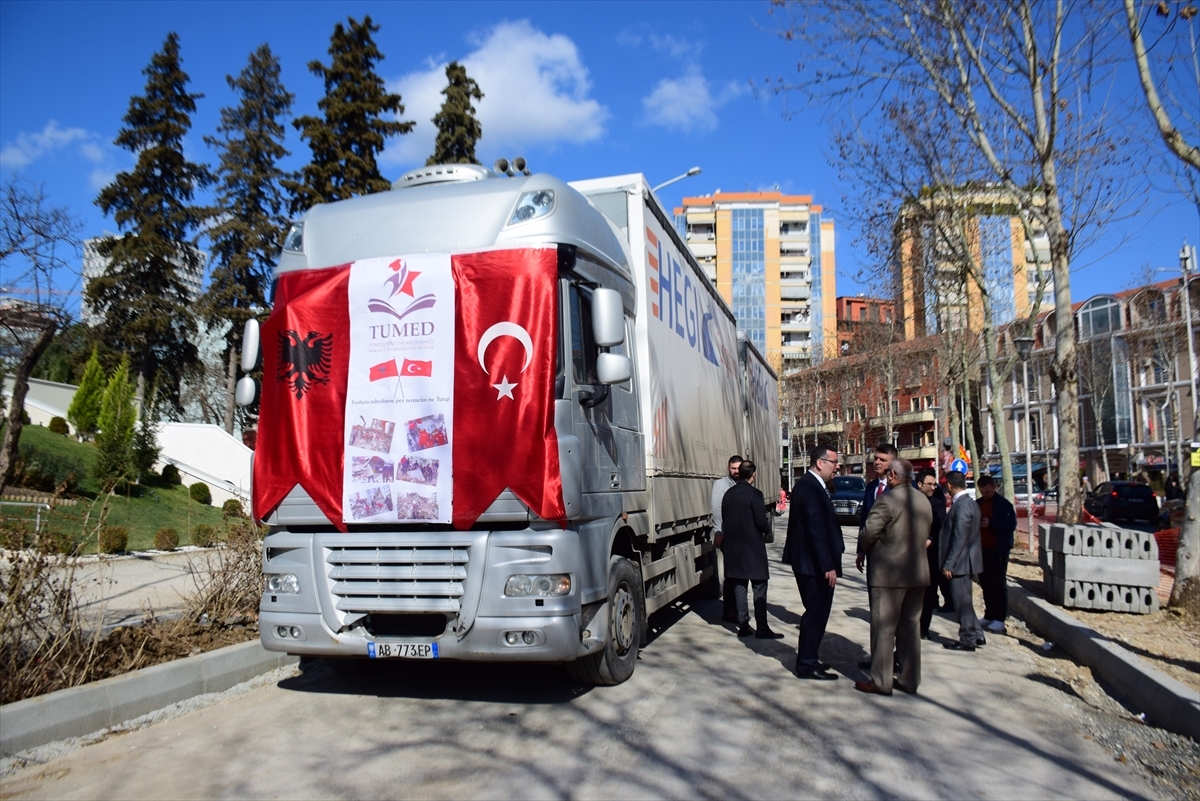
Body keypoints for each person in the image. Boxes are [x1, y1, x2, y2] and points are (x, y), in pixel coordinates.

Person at [854, 459, 932, 696]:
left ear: (894, 475)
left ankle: (880, 680)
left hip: (889, 574)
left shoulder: (887, 499)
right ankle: (909, 680)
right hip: (917, 574)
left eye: (889, 473)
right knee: (910, 629)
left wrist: (865, 548)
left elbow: (869, 532)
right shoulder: (922, 500)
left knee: (884, 629)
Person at [783, 445, 844, 680]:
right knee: (816, 613)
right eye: (834, 462)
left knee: (816, 612)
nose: (837, 466)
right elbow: (816, 530)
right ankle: (807, 663)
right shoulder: (810, 488)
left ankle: (810, 657)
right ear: (820, 463)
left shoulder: (812, 485)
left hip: (810, 562)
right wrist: (827, 565)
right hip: (814, 565)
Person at [721, 461, 784, 640]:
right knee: (759, 587)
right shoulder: (755, 494)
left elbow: (726, 518)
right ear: (753, 475)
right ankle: (762, 627)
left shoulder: (728, 494)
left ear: (739, 473)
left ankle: (743, 625)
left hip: (734, 548)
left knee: (739, 587)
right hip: (753, 548)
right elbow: (761, 521)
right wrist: (765, 530)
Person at [855, 442, 897, 670]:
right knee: (878, 611)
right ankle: (880, 657)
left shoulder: (900, 491)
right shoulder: (871, 487)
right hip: (874, 560)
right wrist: (861, 550)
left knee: (897, 613)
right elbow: (865, 522)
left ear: (894, 464)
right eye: (876, 458)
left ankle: (898, 656)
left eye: (883, 459)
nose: (877, 462)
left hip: (896, 562)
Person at [940, 471, 985, 651]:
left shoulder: (963, 505)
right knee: (965, 600)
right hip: (966, 560)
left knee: (961, 602)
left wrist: (949, 563)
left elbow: (960, 537)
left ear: (950, 485)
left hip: (961, 563)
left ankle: (967, 638)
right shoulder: (969, 503)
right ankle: (977, 634)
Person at [976, 475, 1017, 633]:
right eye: (983, 492)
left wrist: (991, 524)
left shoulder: (1003, 505)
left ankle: (1000, 618)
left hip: (997, 551)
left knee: (998, 585)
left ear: (994, 487)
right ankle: (989, 614)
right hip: (981, 550)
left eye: (988, 491)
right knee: (985, 583)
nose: (985, 494)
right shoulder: (978, 504)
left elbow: (1010, 525)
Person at [916, 469, 951, 637]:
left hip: (931, 552)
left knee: (929, 592)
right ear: (919, 484)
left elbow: (941, 526)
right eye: (929, 484)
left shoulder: (938, 500)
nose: (933, 487)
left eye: (935, 484)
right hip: (913, 552)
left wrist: (930, 539)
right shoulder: (913, 498)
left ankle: (923, 628)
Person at [712, 455, 743, 623]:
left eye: (739, 468)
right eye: (733, 468)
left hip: (741, 538)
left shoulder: (743, 483)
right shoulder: (721, 485)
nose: (736, 471)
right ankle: (729, 610)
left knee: (740, 575)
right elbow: (716, 510)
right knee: (731, 575)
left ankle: (738, 610)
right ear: (728, 468)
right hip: (727, 535)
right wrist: (718, 532)